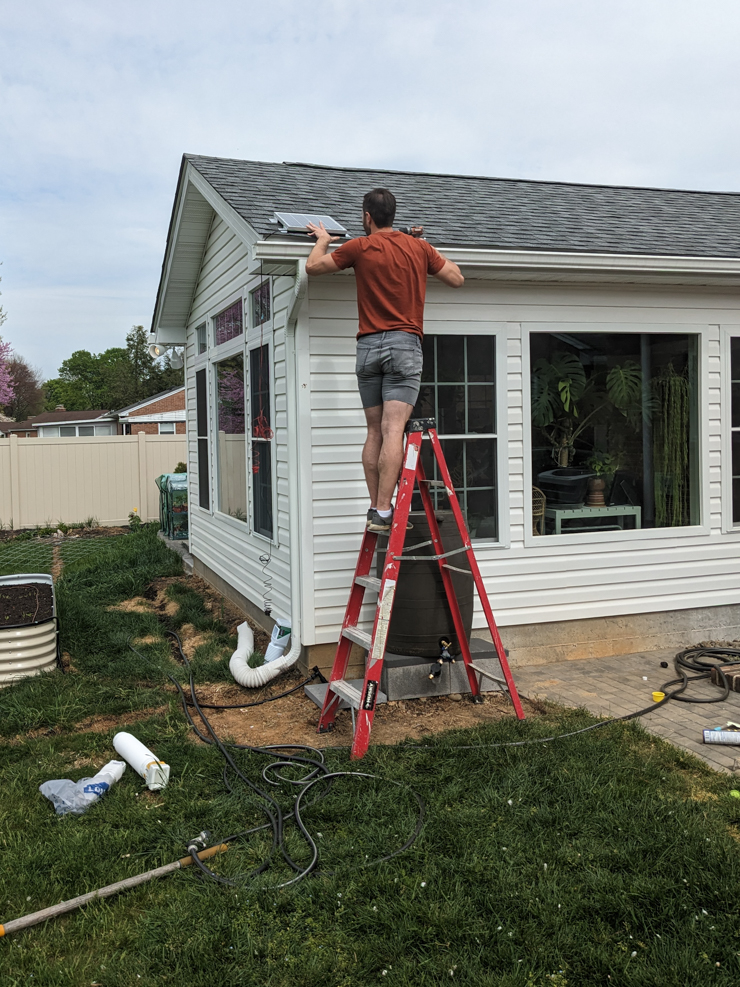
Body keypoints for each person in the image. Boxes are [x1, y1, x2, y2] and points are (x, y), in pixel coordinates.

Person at [305, 188, 464, 531]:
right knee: (395, 430)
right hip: (404, 346)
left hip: (367, 348)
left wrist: (322, 239)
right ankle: (383, 510)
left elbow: (313, 267)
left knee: (375, 430)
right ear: (394, 215)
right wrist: (424, 247)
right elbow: (456, 278)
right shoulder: (418, 248)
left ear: (366, 217)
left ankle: (377, 509)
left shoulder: (359, 247)